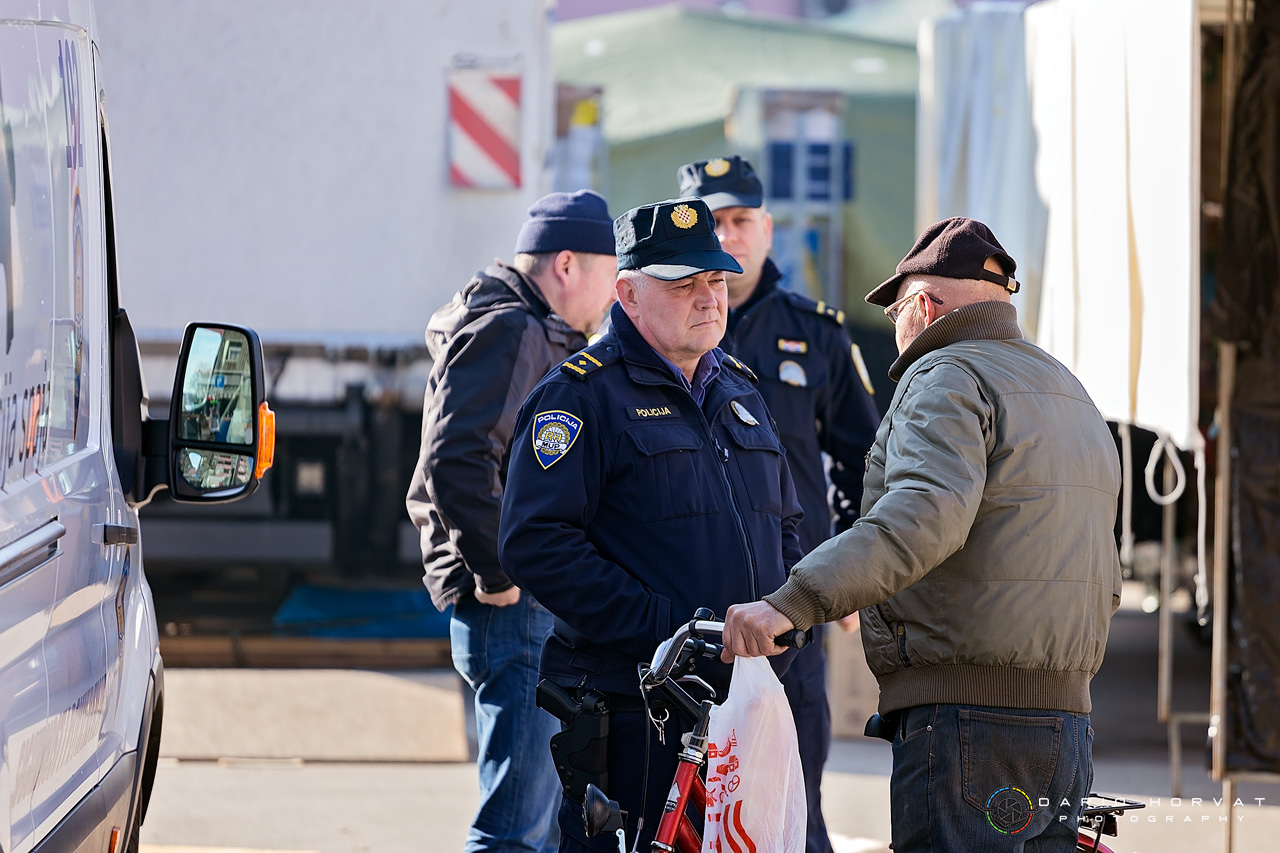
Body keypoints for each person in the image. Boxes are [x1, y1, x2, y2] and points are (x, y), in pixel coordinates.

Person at [720, 218, 1121, 852]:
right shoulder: (1066, 389)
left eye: (896, 310)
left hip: (968, 722)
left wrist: (792, 602)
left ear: (924, 306)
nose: (896, 328)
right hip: (1067, 725)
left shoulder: (947, 377)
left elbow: (919, 519)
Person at [498, 197, 805, 853]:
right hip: (638, 713)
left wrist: (786, 612)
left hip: (742, 706)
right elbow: (535, 543)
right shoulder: (580, 395)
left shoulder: (742, 391)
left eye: (716, 280)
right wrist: (668, 629)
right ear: (628, 294)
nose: (709, 298)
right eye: (683, 284)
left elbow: (784, 524)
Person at [678, 155, 880, 853]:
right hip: (689, 603)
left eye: (741, 220)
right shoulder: (664, 331)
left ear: (767, 228)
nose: (727, 235)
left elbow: (866, 459)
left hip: (794, 600)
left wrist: (852, 571)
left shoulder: (817, 332)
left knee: (796, 803)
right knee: (688, 802)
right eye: (713, 221)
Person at [406, 189, 618, 853]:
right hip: (513, 606)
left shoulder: (529, 328)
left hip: (526, 604)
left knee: (537, 824)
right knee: (514, 832)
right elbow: (457, 459)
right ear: (567, 265)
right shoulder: (512, 329)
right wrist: (499, 571)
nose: (614, 294)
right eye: (611, 274)